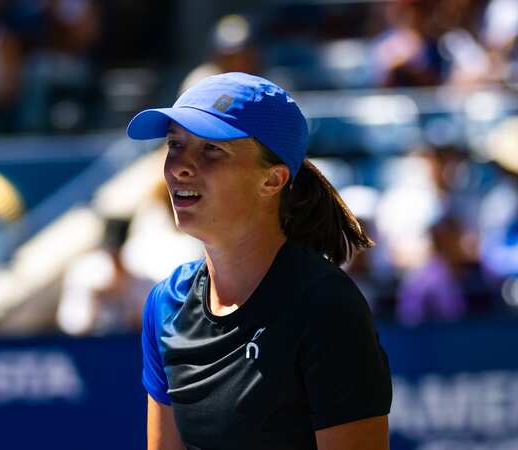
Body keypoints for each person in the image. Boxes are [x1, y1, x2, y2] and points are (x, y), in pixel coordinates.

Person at [126, 72, 392, 450]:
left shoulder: (327, 307)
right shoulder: (165, 304)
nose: (180, 166)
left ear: (273, 180)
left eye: (211, 150)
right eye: (175, 145)